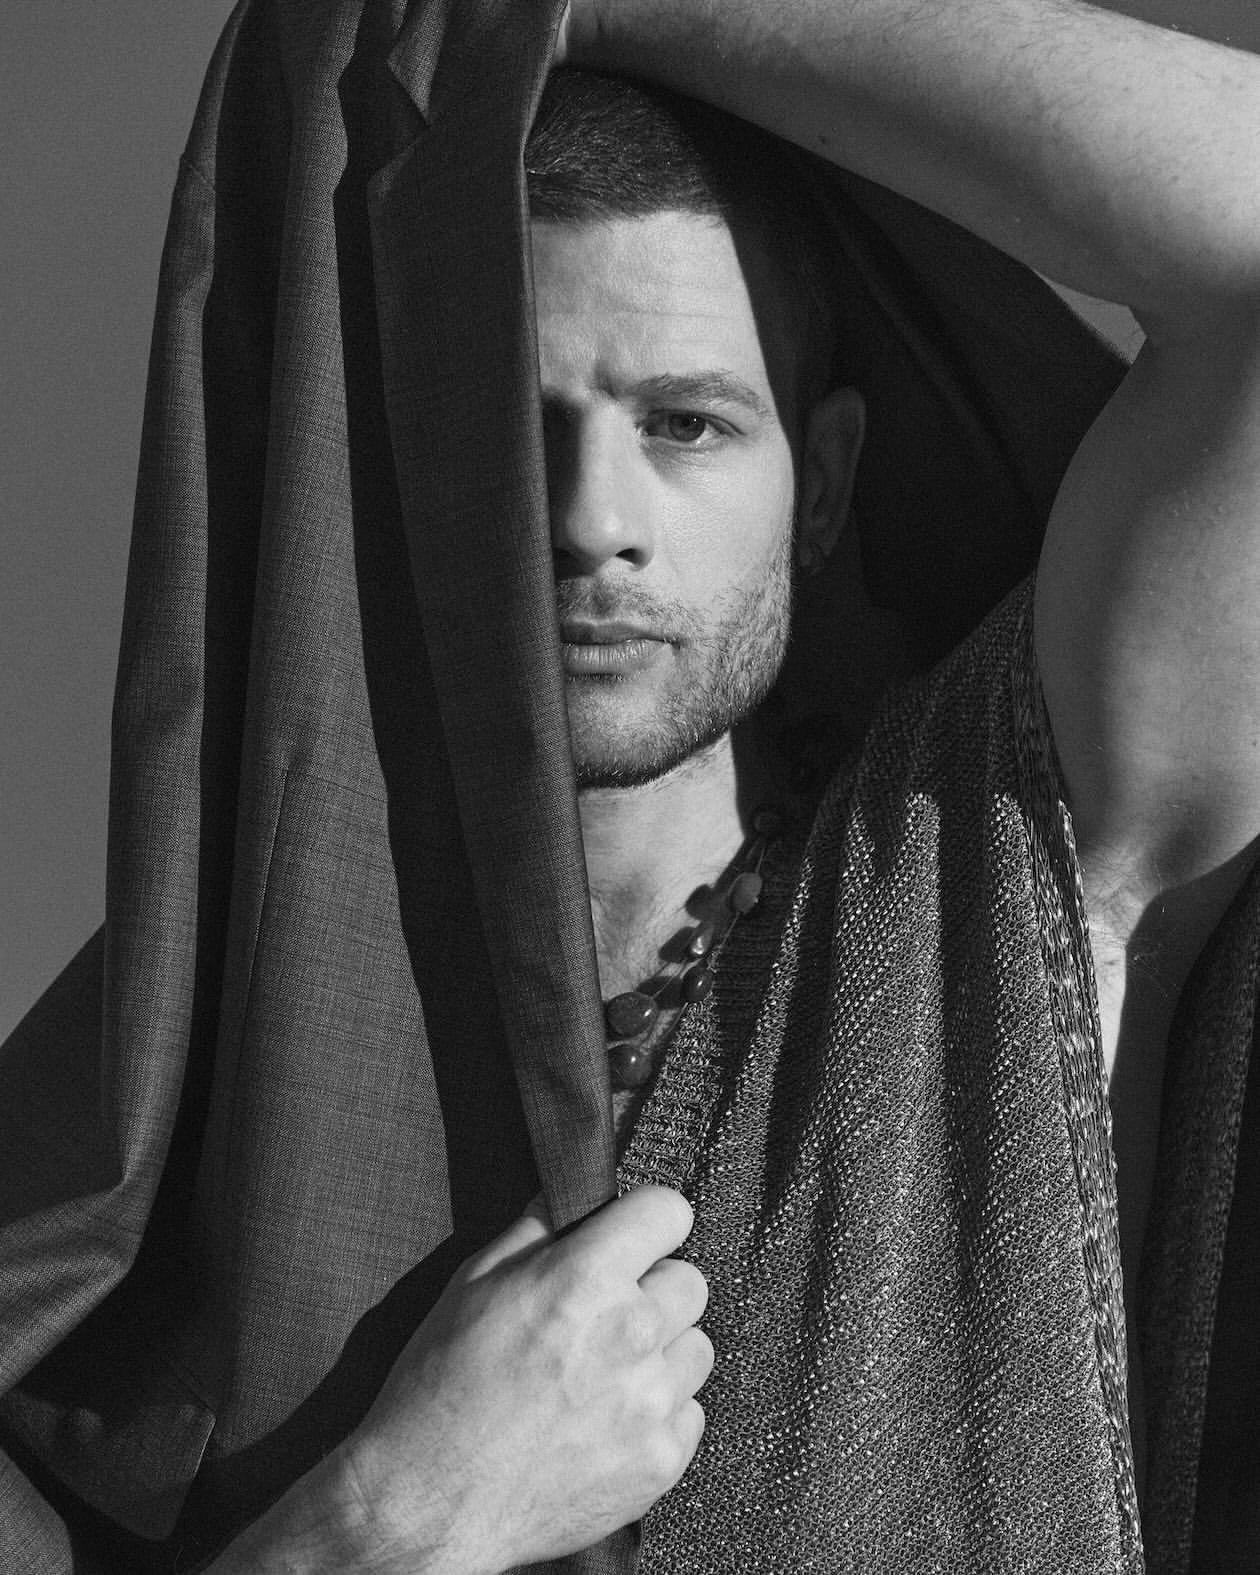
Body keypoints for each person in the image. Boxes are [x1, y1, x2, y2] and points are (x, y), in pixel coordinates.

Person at [1, 0, 1258, 1571]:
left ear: (826, 484)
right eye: (510, 432)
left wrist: (543, 3)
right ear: (396, 486)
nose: (594, 519)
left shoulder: (996, 883)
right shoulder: (173, 1084)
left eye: (686, 424)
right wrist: (387, 1526)